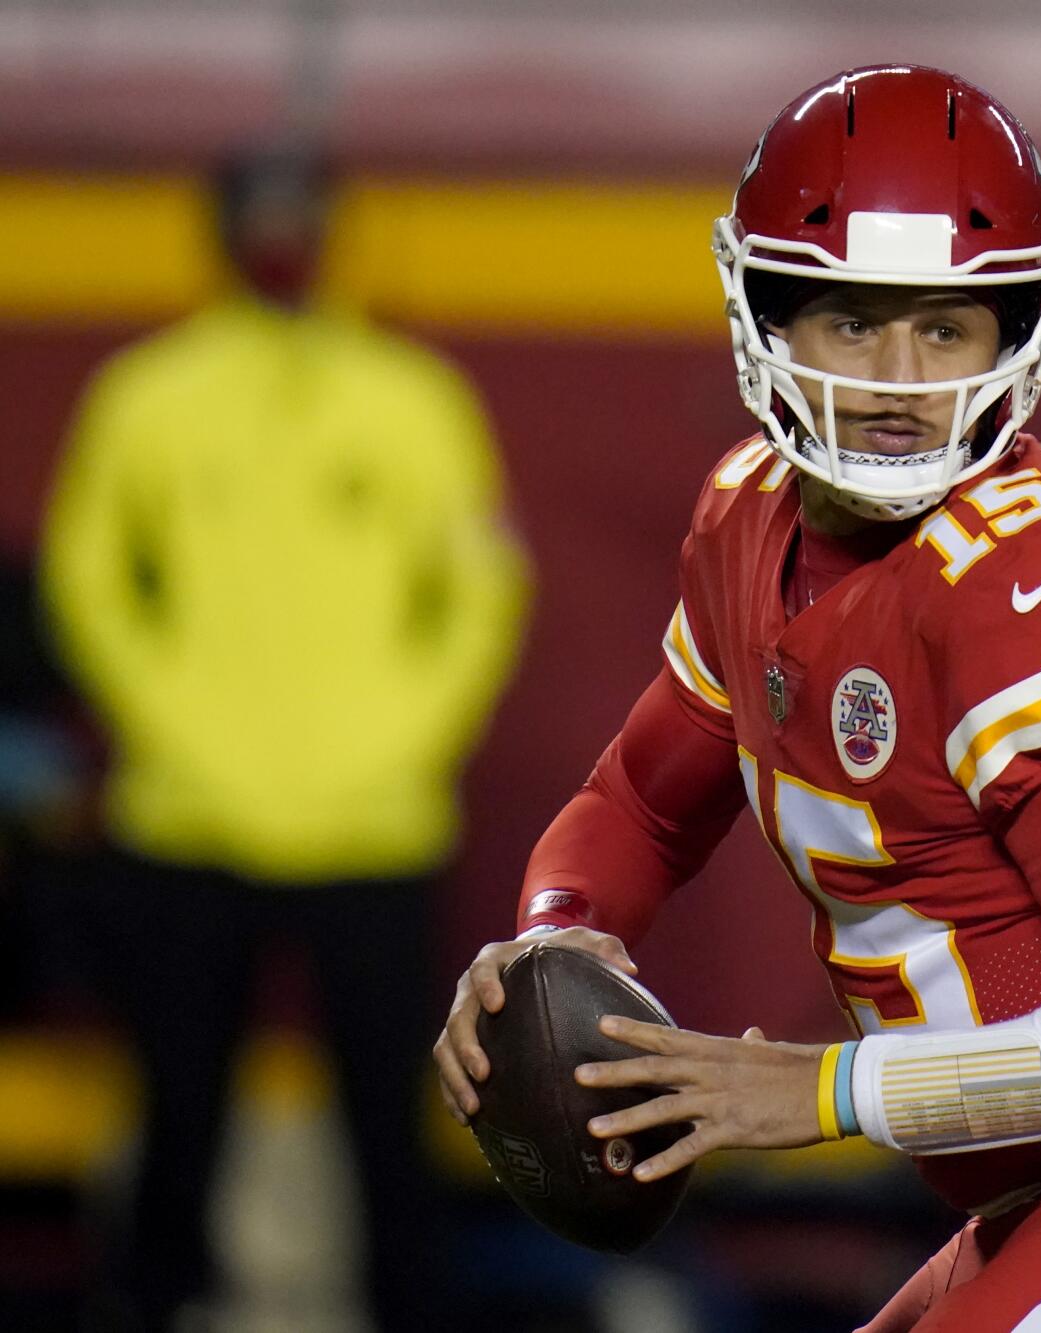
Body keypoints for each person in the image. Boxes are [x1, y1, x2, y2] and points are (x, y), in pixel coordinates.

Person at [435, 65, 1041, 1332]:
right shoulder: (745, 520)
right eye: (852, 322)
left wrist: (816, 1093)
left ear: (1014, 334)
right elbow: (640, 807)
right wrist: (556, 934)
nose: (895, 380)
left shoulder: (1038, 578)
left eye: (943, 328)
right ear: (767, 317)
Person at [40, 141, 529, 1331]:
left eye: (299, 219)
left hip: (374, 820)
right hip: (186, 814)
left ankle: (405, 1309)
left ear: (330, 229)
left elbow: (480, 585)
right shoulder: (148, 396)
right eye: (259, 219)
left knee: (394, 1120)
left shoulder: (410, 398)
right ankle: (156, 1303)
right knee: (176, 1113)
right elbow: (86, 576)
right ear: (218, 232)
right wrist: (172, 719)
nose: (281, 242)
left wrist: (403, 735)